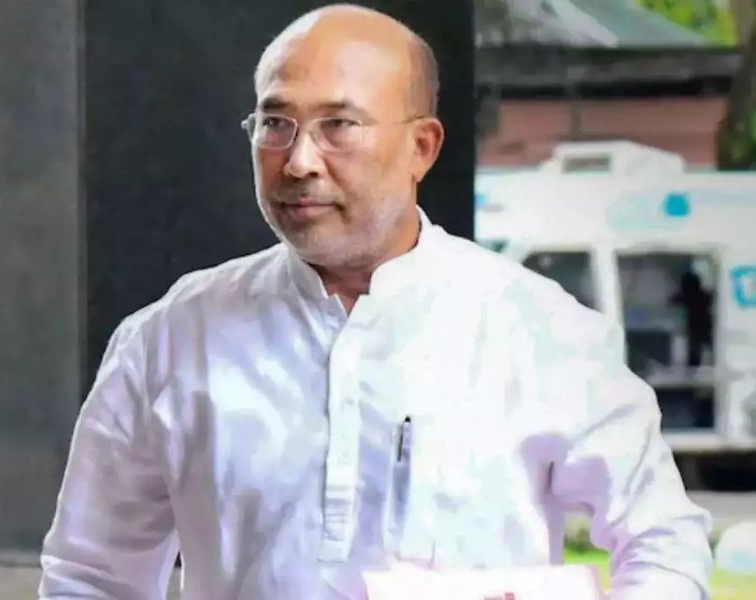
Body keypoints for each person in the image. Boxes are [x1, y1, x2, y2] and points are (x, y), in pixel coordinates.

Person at [39, 5, 713, 599]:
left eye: (339, 124)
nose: (299, 160)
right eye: (275, 122)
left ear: (421, 147)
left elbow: (663, 544)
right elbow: (90, 577)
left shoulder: (540, 331)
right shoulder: (171, 339)